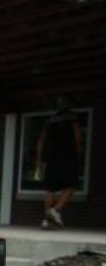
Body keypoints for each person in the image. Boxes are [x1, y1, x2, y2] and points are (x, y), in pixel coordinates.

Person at [35, 97, 84, 229]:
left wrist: (39, 161)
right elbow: (78, 137)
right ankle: (55, 210)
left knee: (50, 189)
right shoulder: (72, 118)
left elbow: (41, 141)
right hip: (68, 156)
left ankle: (46, 220)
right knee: (72, 185)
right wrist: (79, 154)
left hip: (51, 158)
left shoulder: (49, 121)